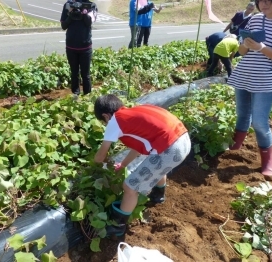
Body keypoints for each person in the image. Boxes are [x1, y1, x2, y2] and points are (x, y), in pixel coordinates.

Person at [93, 94, 191, 236]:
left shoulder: (115, 121)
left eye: (104, 122)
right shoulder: (135, 112)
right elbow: (138, 147)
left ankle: (118, 226)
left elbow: (100, 156)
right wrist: (123, 164)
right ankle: (158, 195)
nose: (106, 125)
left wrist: (94, 168)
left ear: (106, 116)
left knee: (130, 186)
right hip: (183, 139)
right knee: (158, 165)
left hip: (171, 148)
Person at [227, 0, 272, 180]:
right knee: (242, 113)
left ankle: (268, 161)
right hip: (245, 73)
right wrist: (246, 44)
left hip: (265, 80)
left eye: (269, 1)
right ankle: (236, 145)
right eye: (261, 1)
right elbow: (242, 51)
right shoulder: (255, 19)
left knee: (260, 122)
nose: (264, 4)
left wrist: (261, 48)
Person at [60, 0, 97, 96]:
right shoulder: (68, 5)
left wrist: (83, 12)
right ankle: (75, 95)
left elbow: (89, 23)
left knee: (86, 75)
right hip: (71, 46)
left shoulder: (91, 5)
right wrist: (71, 15)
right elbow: (63, 26)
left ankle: (87, 96)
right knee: (74, 73)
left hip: (85, 47)